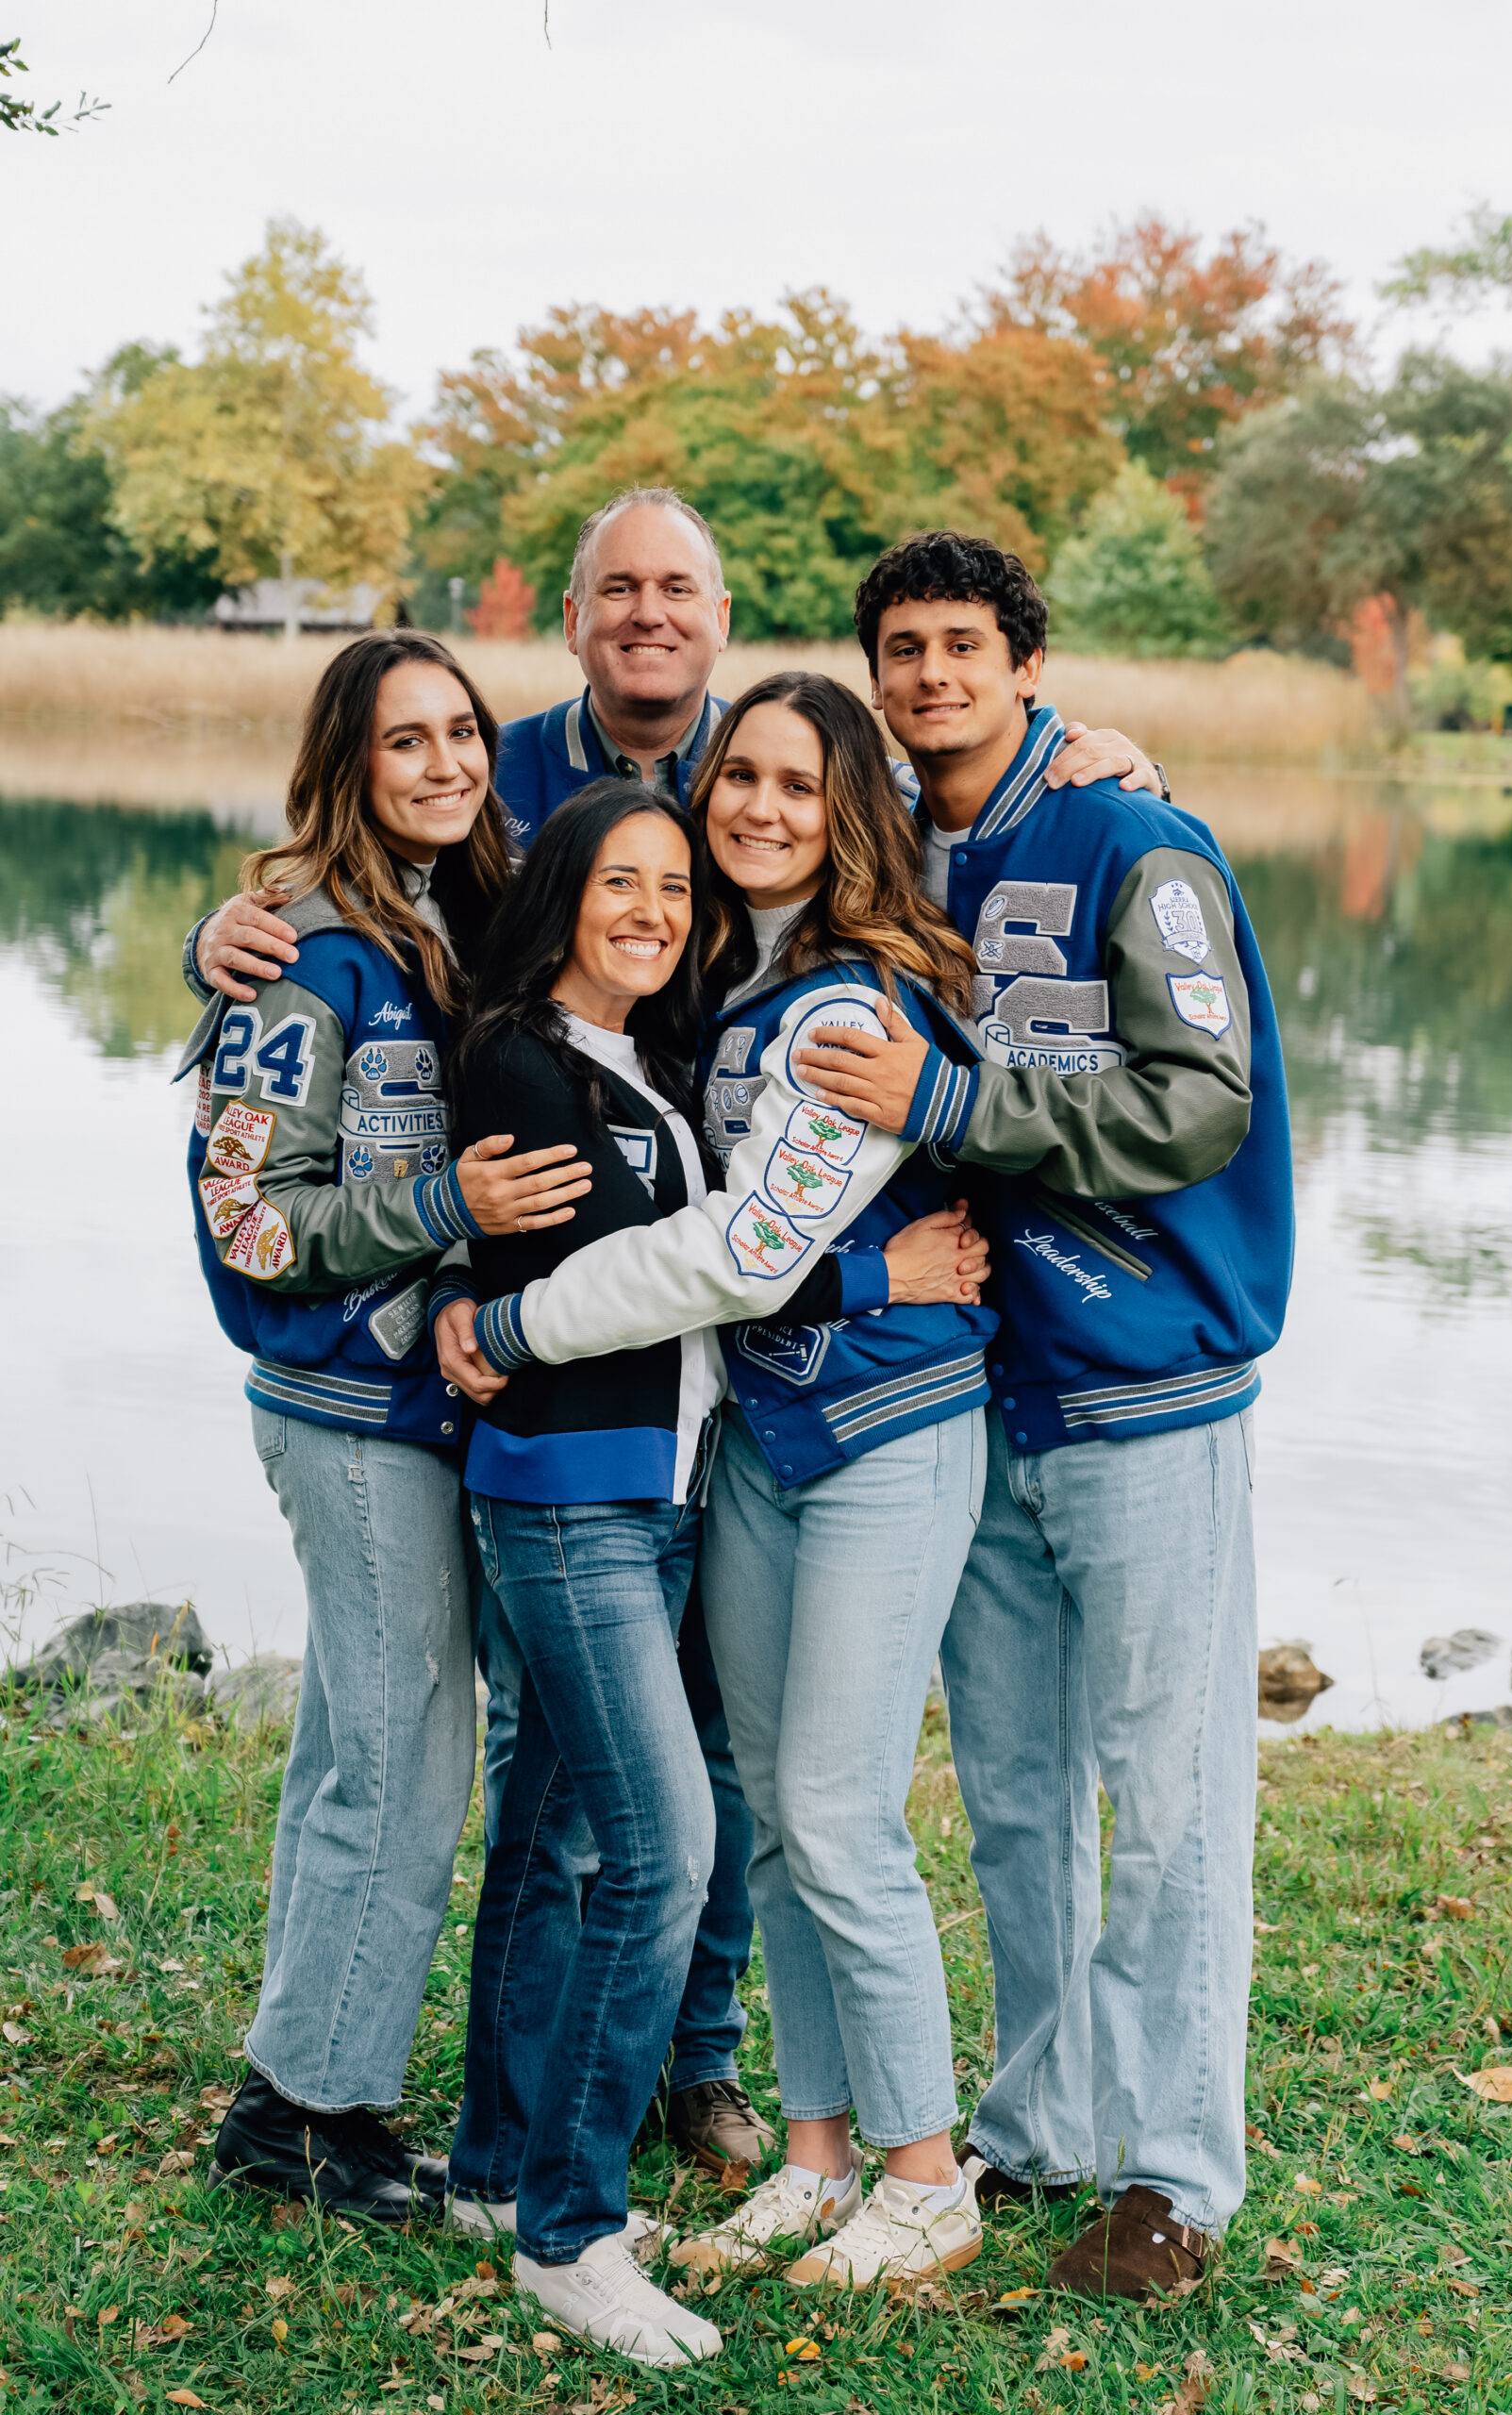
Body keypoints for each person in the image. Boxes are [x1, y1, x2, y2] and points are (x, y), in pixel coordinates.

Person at [179, 486, 1165, 2176]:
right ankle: (422, 2121)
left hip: (693, 1416)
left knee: (701, 1774)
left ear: (720, 621)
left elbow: (733, 1211)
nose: (443, 767)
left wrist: (1096, 753)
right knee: (483, 1763)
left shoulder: (762, 869)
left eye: (680, 588)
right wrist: (229, 951)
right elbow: (280, 1178)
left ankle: (683, 2086)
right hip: (454, 1406)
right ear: (572, 621)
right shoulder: (438, 866)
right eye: (615, 588)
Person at [794, 530, 1296, 2301]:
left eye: (962, 645)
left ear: (1023, 664)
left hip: (1148, 1382)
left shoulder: (1134, 836)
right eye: (901, 648)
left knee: (1167, 1802)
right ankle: (1043, 2119)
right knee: (1015, 1793)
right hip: (976, 1390)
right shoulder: (887, 851)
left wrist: (959, 1098)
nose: (930, 674)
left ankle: (1175, 2175)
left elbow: (1200, 1101)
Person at [467, 672, 1004, 2295]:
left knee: (838, 1815)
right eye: (740, 779)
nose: (761, 807)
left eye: (798, 783)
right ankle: (820, 2154)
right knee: (774, 1818)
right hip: (759, 1447)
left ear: (855, 811)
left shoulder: (848, 1008)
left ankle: (923, 2173)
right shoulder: (725, 989)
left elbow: (752, 1250)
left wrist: (509, 1320)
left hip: (887, 1437)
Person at [179, 631, 588, 2222]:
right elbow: (249, 1222)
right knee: (408, 1753)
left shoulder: (460, 918)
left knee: (366, 1742)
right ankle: (307, 2117)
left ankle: (303, 2082)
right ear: (348, 765)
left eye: (463, 734)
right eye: (404, 741)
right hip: (347, 1406)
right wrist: (441, 1201)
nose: (445, 764)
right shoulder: (303, 951)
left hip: (433, 1400)